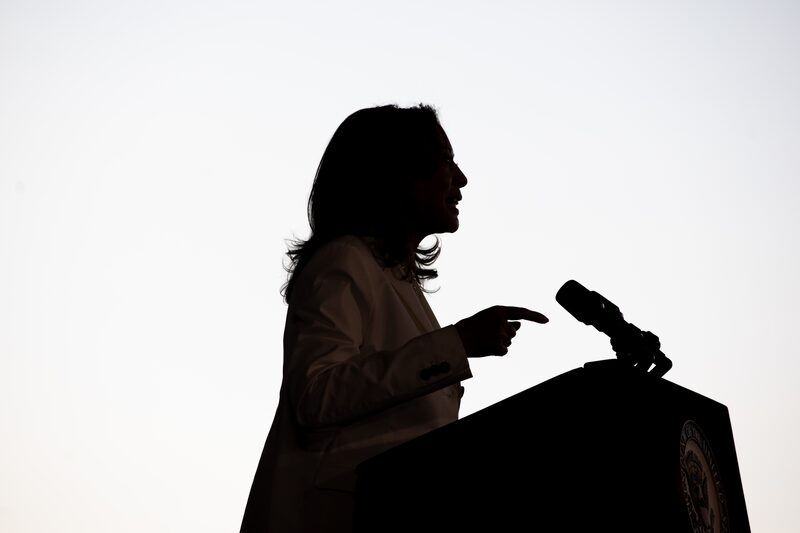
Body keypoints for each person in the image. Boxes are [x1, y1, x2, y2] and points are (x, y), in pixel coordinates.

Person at [239, 103, 548, 532]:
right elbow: (316, 395)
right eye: (446, 162)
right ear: (398, 174)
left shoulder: (398, 282)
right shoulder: (343, 260)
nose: (461, 180)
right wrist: (458, 344)